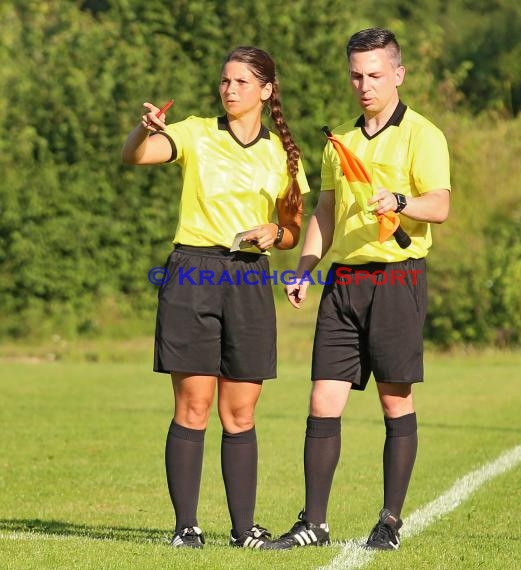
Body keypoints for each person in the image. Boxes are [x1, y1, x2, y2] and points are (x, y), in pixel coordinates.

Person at [268, 28, 451, 551]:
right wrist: (304, 265)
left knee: (396, 400)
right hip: (343, 283)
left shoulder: (422, 134)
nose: (364, 85)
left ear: (398, 74)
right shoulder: (340, 142)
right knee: (322, 399)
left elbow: (438, 205)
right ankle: (314, 523)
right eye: (356, 74)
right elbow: (326, 211)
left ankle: (390, 522)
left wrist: (399, 201)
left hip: (397, 279)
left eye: (374, 74)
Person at [121, 46, 310, 549]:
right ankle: (186, 527)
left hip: (248, 280)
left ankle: (244, 529)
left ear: (266, 91)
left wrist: (276, 233)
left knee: (241, 413)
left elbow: (292, 228)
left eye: (242, 82)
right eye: (225, 81)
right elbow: (135, 155)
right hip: (192, 272)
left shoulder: (283, 154)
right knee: (194, 406)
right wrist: (145, 129)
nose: (229, 90)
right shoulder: (195, 132)